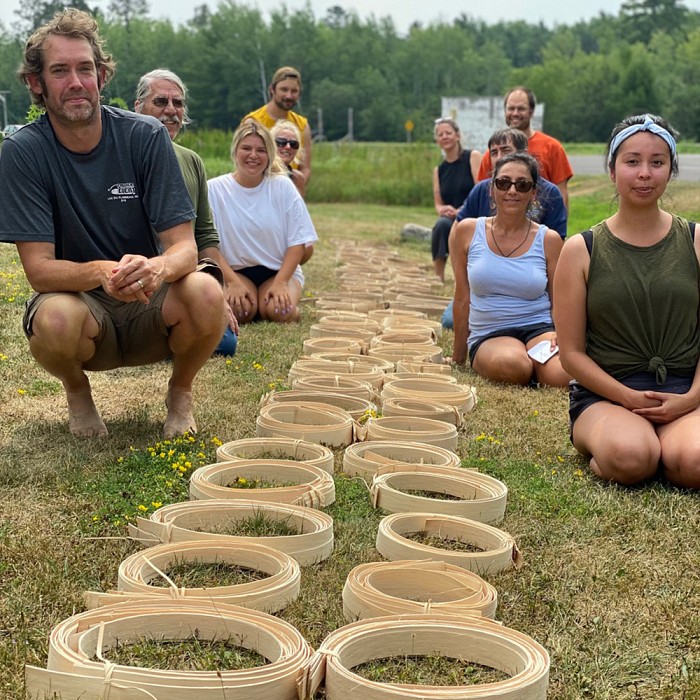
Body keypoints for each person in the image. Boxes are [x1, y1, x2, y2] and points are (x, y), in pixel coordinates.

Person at [0, 10, 227, 438]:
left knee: (205, 290)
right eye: (60, 71)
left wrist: (157, 268)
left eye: (85, 69)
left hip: (150, 300)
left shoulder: (145, 136)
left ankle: (180, 391)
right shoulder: (22, 153)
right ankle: (77, 392)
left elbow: (185, 247)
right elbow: (39, 270)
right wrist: (101, 272)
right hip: (83, 307)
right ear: (36, 83)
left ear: (102, 76)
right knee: (54, 321)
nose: (76, 82)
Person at [554, 114, 700, 489]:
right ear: (612, 170)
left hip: (685, 392)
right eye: (632, 161)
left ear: (671, 170)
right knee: (632, 458)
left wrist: (691, 398)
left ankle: (670, 449)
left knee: (694, 463)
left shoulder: (696, 240)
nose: (645, 173)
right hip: (608, 394)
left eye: (657, 162)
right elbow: (570, 354)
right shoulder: (580, 250)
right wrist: (625, 396)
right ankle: (637, 449)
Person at [134, 68, 238, 356]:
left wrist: (218, 296)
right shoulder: (123, 156)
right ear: (138, 107)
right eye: (160, 102)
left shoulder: (192, 161)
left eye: (178, 103)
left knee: (226, 343)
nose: (171, 110)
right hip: (140, 281)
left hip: (185, 279)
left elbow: (205, 235)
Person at [449, 153, 570, 388]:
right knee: (514, 366)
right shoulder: (467, 231)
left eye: (522, 185)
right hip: (490, 332)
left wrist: (564, 337)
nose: (512, 191)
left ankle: (539, 365)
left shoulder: (550, 240)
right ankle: (529, 364)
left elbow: (561, 300)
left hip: (539, 328)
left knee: (563, 376)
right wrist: (458, 356)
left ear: (533, 192)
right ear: (491, 189)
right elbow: (462, 298)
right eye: (503, 183)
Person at [441, 127, 567, 330]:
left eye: (505, 150)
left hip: (529, 288)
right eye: (493, 152)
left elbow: (557, 251)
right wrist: (464, 276)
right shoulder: (481, 190)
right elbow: (457, 233)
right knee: (450, 321)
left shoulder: (550, 194)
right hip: (486, 287)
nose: (512, 191)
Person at [207, 119, 318, 324]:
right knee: (240, 313)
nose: (253, 156)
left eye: (261, 150)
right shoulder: (214, 190)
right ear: (234, 152)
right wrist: (231, 282)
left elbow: (298, 243)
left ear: (269, 155)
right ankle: (254, 302)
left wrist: (282, 282)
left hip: (278, 270)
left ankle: (286, 303)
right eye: (246, 148)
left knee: (279, 312)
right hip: (236, 270)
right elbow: (208, 244)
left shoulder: (283, 186)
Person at [476, 87, 573, 210]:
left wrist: (559, 227)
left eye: (521, 109)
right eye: (511, 108)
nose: (515, 113)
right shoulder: (494, 154)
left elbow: (561, 195)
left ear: (531, 112)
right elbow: (482, 198)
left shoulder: (552, 147)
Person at [431, 117, 481, 282]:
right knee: (441, 225)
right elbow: (438, 203)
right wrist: (443, 210)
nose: (444, 136)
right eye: (440, 134)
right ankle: (438, 276)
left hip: (472, 213)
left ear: (458, 135)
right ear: (437, 140)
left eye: (448, 133)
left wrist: (462, 209)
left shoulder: (472, 157)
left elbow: (480, 188)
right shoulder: (438, 170)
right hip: (451, 217)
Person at [244, 66, 312, 186]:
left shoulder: (302, 125)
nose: (289, 96)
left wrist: (294, 187)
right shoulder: (253, 122)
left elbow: (305, 168)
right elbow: (243, 162)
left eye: (294, 91)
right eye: (284, 90)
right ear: (272, 89)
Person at [271, 119, 306, 197]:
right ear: (270, 144)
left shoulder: (298, 178)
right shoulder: (260, 174)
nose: (288, 147)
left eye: (293, 144)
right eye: (281, 142)